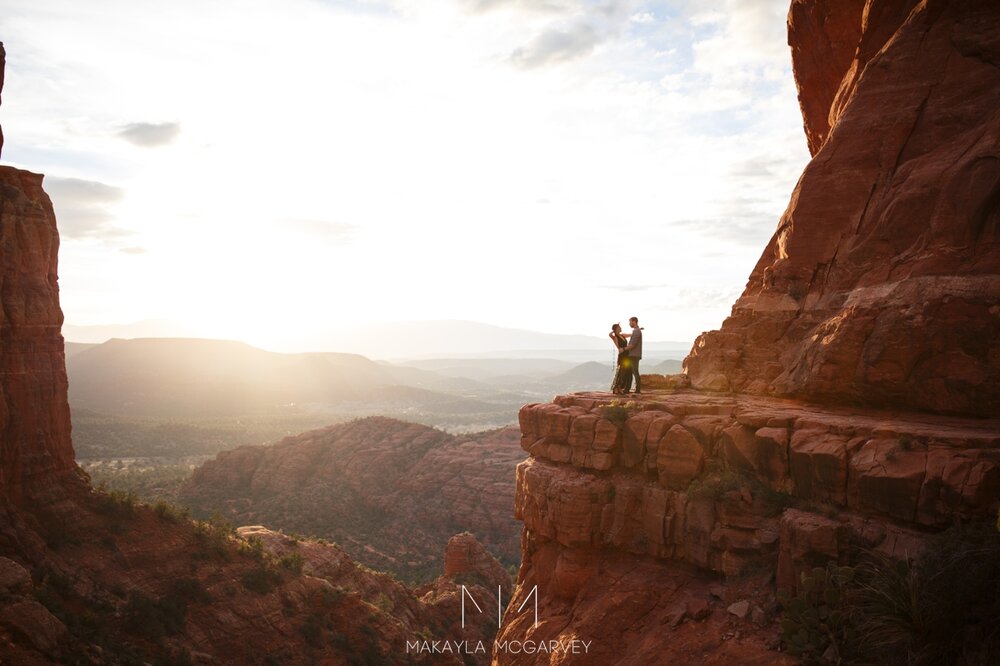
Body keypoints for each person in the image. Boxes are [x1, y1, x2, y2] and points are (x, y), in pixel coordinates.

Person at [621, 316, 643, 394]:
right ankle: (627, 389)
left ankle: (637, 389)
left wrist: (623, 349)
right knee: (630, 372)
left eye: (630, 322)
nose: (629, 324)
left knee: (634, 371)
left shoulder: (636, 331)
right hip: (633, 355)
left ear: (634, 321)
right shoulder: (636, 331)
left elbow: (633, 345)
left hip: (634, 355)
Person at [608, 323, 630, 394]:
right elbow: (610, 334)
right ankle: (616, 388)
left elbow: (631, 334)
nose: (621, 328)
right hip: (622, 356)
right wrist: (613, 331)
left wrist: (638, 329)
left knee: (624, 372)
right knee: (620, 372)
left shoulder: (623, 335)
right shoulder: (615, 337)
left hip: (626, 355)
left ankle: (619, 387)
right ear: (616, 329)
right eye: (619, 327)